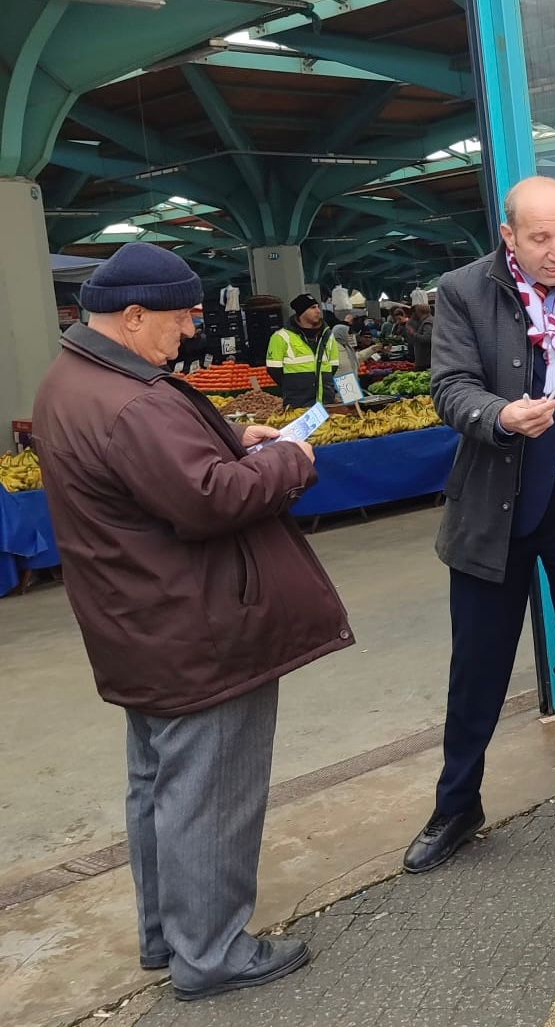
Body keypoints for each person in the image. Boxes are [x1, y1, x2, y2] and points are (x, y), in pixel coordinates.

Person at [29, 242, 353, 1002]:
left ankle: (167, 935)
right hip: (199, 625)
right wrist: (288, 461)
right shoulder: (132, 400)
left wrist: (229, 439)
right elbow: (209, 501)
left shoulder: (71, 380)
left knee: (160, 787)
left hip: (138, 621)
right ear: (132, 316)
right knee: (212, 791)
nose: (189, 334)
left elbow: (151, 473)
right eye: (178, 320)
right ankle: (210, 954)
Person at [401, 175, 555, 874]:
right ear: (508, 236)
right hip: (493, 512)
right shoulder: (463, 290)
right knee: (476, 668)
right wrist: (498, 416)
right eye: (540, 237)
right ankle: (457, 804)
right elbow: (448, 385)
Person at [266, 293, 337, 408]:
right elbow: (274, 370)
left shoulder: (328, 336)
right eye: (313, 308)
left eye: (318, 307)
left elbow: (334, 366)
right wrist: (294, 386)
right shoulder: (281, 337)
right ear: (301, 312)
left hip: (326, 401)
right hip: (298, 404)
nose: (318, 311)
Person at [407, 302, 434, 370]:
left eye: (416, 311)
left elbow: (427, 339)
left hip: (426, 361)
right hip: (426, 360)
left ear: (419, 312)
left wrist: (413, 333)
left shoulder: (427, 322)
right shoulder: (428, 320)